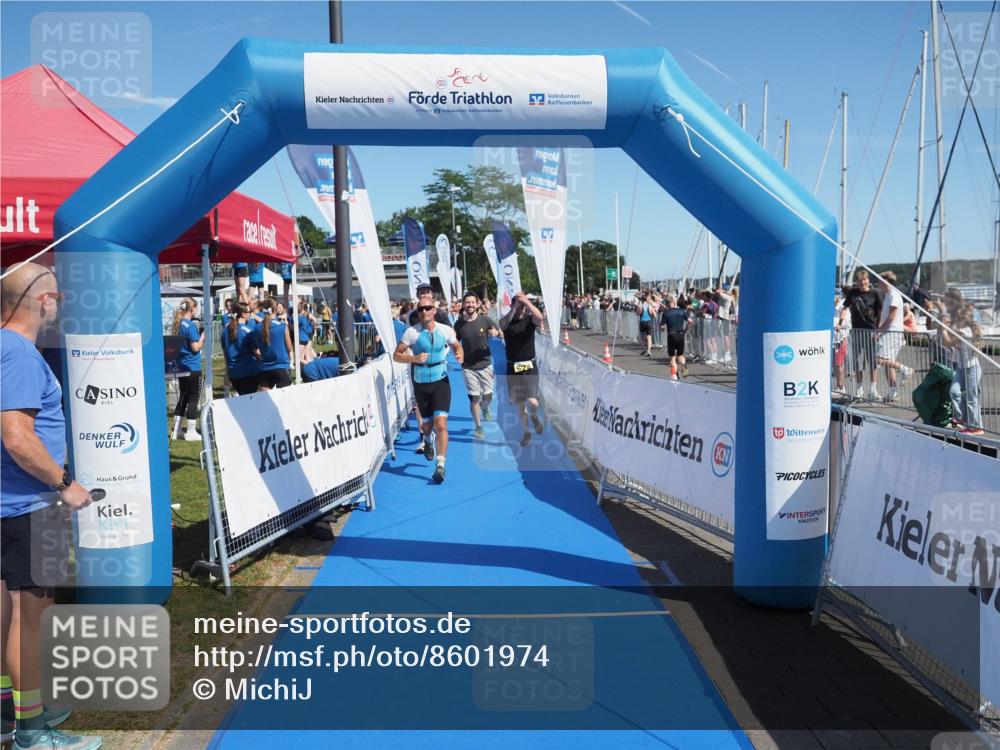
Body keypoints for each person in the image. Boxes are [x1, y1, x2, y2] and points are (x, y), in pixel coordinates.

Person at [1, 262, 103, 750]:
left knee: (6, 616)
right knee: (31, 620)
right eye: (57, 301)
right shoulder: (18, 353)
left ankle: (13, 709)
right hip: (30, 506)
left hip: (10, 506)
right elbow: (17, 437)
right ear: (41, 302)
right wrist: (66, 484)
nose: (57, 310)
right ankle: (32, 730)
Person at [394, 293, 464, 483]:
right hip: (421, 381)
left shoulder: (445, 330)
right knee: (427, 426)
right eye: (420, 309)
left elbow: (457, 346)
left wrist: (460, 354)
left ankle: (440, 466)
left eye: (427, 308)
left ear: (434, 310)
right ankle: (427, 439)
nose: (424, 311)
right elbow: (396, 355)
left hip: (440, 380)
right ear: (418, 312)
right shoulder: (412, 332)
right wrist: (414, 358)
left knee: (441, 423)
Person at [454, 291, 500, 439]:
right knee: (474, 398)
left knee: (488, 395)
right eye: (467, 302)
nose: (470, 305)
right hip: (468, 367)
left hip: (486, 364)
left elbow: (500, 332)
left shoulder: (485, 320)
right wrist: (457, 352)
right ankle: (478, 427)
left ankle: (485, 407)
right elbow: (454, 342)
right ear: (463, 305)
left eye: (472, 302)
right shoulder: (459, 324)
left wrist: (497, 333)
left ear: (477, 304)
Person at [501, 291, 545, 447]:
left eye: (522, 306)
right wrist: (515, 307)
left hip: (529, 367)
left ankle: (534, 416)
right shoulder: (507, 322)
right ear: (512, 306)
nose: (520, 309)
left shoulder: (529, 320)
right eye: (517, 305)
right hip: (513, 368)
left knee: (533, 402)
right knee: (520, 405)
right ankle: (527, 432)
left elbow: (540, 318)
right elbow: (503, 324)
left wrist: (527, 303)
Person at [839, 269, 882, 400]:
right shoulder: (852, 292)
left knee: (872, 361)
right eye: (860, 280)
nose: (862, 282)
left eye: (864, 280)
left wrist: (879, 330)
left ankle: (873, 389)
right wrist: (840, 322)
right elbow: (845, 308)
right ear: (857, 282)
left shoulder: (875, 293)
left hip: (871, 331)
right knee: (857, 362)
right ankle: (859, 389)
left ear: (868, 280)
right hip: (856, 331)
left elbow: (880, 312)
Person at [874, 271, 913, 402]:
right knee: (887, 363)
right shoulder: (888, 295)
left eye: (879, 280)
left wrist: (879, 330)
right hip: (890, 331)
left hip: (892, 331)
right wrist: (880, 329)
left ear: (886, 282)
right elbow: (886, 316)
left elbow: (892, 316)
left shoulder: (894, 295)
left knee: (878, 359)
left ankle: (905, 369)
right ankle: (893, 391)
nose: (878, 283)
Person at [170, 298, 204, 441]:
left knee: (183, 397)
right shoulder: (189, 325)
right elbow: (195, 347)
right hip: (192, 366)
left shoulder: (178, 324)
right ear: (192, 309)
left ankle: (177, 430)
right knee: (193, 398)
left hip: (182, 365)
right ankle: (191, 431)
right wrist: (203, 335)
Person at [222, 302, 261, 396]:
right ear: (243, 314)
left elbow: (225, 352)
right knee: (249, 401)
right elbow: (257, 353)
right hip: (248, 372)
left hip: (233, 373)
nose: (251, 314)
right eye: (249, 312)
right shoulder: (248, 331)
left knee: (243, 399)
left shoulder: (225, 331)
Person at [257, 299, 293, 390]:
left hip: (264, 367)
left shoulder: (256, 328)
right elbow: (289, 348)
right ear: (276, 309)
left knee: (265, 401)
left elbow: (257, 348)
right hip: (281, 366)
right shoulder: (282, 326)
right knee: (285, 400)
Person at [659, 294, 689, 380]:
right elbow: (690, 321)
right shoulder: (682, 311)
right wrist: (685, 330)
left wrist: (662, 328)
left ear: (667, 303)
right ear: (674, 302)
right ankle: (685, 373)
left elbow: (662, 327)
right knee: (680, 356)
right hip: (680, 335)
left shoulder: (666, 313)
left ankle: (674, 376)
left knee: (672, 358)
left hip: (671, 335)